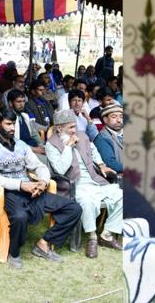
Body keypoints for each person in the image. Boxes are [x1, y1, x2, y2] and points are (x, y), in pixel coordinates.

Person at [0, 109, 81, 267]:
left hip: (32, 190)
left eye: (13, 124)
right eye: (8, 124)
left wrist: (43, 182)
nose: (12, 128)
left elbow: (39, 166)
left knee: (73, 208)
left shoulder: (21, 146)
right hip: (7, 193)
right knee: (20, 216)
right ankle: (14, 253)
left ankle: (44, 243)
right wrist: (21, 185)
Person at [45, 110, 122, 258]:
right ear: (59, 128)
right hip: (74, 185)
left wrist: (101, 164)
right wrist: (68, 147)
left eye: (75, 126)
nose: (75, 131)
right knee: (86, 201)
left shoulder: (82, 135)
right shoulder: (51, 145)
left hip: (94, 180)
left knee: (122, 196)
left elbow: (93, 151)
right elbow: (60, 169)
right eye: (70, 127)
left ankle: (106, 235)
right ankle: (92, 237)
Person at [93, 102, 123, 172]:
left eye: (121, 117)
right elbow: (111, 164)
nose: (119, 120)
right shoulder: (102, 138)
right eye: (114, 117)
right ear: (105, 120)